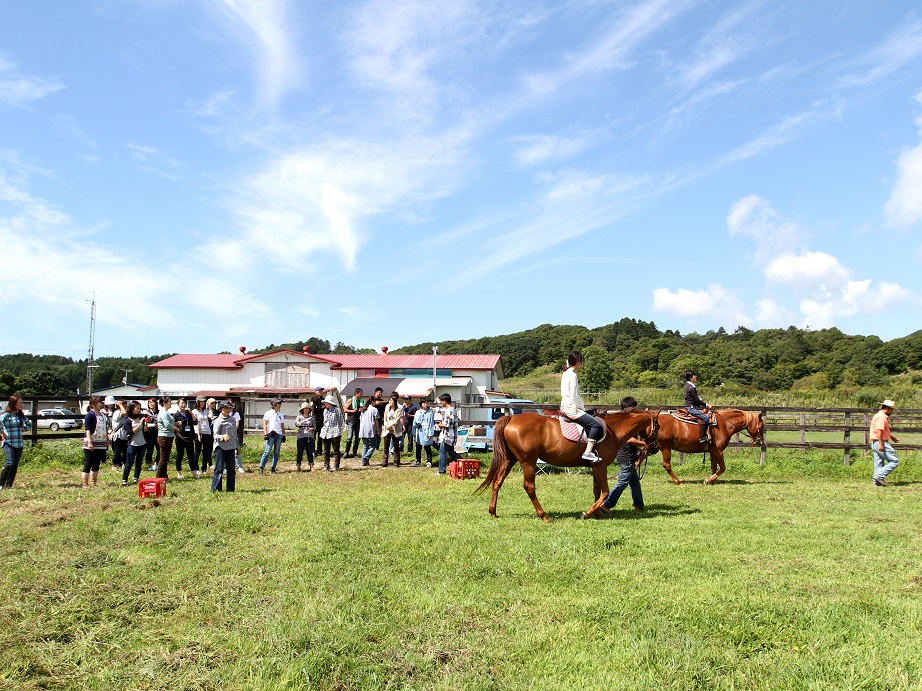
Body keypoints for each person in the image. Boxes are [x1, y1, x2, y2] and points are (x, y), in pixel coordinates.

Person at [599, 397, 646, 514]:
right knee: (623, 482)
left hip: (630, 455)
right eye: (634, 407)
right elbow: (629, 439)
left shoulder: (627, 421)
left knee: (634, 482)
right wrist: (644, 444)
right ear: (630, 408)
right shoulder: (625, 423)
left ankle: (639, 505)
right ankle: (606, 505)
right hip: (626, 456)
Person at [560, 350, 603, 462]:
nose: (582, 363)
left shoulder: (565, 374)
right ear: (578, 361)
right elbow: (574, 395)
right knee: (596, 425)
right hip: (573, 408)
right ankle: (587, 452)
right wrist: (582, 407)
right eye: (581, 360)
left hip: (565, 406)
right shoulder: (573, 375)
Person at [0, 395, 32, 490]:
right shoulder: (7, 415)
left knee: (15, 465)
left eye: (22, 403)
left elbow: (29, 424)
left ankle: (9, 485)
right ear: (13, 404)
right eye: (19, 403)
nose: (21, 405)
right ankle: (1, 484)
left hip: (19, 443)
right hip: (9, 443)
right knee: (9, 463)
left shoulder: (21, 416)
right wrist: (2, 432)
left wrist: (23, 429)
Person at [211, 400, 240, 493]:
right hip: (220, 448)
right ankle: (216, 490)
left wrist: (237, 447)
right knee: (219, 470)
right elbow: (215, 435)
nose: (228, 410)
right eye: (225, 408)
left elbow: (235, 435)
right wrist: (222, 437)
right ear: (221, 409)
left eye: (229, 408)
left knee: (231, 470)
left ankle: (230, 489)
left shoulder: (232, 419)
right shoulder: (218, 421)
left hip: (231, 448)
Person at [871, 399, 900, 487]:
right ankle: (879, 477)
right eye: (891, 410)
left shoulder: (878, 415)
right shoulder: (882, 417)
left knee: (879, 462)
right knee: (894, 461)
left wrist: (892, 437)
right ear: (887, 408)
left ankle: (876, 483)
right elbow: (879, 431)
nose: (892, 412)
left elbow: (882, 431)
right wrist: (881, 444)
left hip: (874, 442)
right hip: (880, 441)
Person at [82, 395, 110, 488]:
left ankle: (93, 482)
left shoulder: (103, 415)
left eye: (100, 402)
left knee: (96, 463)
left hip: (101, 442)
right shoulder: (90, 414)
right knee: (88, 462)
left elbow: (106, 428)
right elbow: (88, 429)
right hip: (91, 441)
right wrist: (90, 442)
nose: (100, 404)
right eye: (98, 403)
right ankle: (85, 483)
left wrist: (107, 440)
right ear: (93, 404)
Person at [121, 401, 148, 486]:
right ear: (131, 408)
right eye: (136, 408)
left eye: (139, 408)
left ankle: (136, 478)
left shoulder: (141, 417)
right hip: (132, 444)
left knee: (139, 462)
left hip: (142, 443)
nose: (138, 410)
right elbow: (130, 432)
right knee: (129, 463)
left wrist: (145, 423)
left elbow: (145, 430)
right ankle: (124, 480)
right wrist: (139, 424)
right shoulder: (127, 420)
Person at [174, 398, 199, 479]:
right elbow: (175, 427)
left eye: (185, 403)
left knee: (191, 455)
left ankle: (194, 472)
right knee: (180, 455)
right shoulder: (176, 415)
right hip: (180, 438)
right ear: (178, 404)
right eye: (181, 403)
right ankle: (179, 473)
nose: (183, 405)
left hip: (189, 437)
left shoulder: (188, 413)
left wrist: (191, 413)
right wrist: (180, 436)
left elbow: (195, 421)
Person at [258, 398, 285, 474]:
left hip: (279, 434)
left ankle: (273, 467)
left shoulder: (280, 414)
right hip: (271, 434)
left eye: (280, 403)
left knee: (276, 452)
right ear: (274, 404)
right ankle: (261, 467)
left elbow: (282, 425)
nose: (280, 405)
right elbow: (265, 424)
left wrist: (283, 435)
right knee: (267, 451)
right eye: (278, 403)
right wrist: (265, 433)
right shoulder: (268, 413)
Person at [156, 395, 180, 479]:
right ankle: (159, 476)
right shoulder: (163, 412)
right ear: (164, 403)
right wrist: (175, 428)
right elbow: (167, 425)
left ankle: (164, 475)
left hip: (168, 436)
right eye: (169, 401)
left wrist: (175, 424)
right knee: (163, 458)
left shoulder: (166, 412)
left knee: (165, 457)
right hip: (164, 437)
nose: (171, 403)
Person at [683, 370, 710, 444]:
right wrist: (707, 405)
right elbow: (697, 400)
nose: (696, 376)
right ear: (690, 377)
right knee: (705, 418)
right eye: (694, 375)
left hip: (690, 406)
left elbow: (695, 400)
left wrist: (701, 406)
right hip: (690, 408)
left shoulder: (688, 386)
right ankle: (702, 437)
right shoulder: (691, 387)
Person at [319, 394, 344, 471]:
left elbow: (340, 421)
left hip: (335, 432)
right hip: (325, 432)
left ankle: (336, 465)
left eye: (326, 402)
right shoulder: (325, 411)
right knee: (326, 450)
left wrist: (338, 429)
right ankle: (326, 464)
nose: (325, 404)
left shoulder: (337, 410)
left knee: (336, 450)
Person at [437, 393, 459, 475]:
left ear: (445, 401)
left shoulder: (449, 411)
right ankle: (463, 463)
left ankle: (441, 471)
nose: (441, 403)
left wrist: (439, 425)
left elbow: (447, 424)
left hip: (447, 436)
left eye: (442, 401)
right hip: (453, 436)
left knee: (442, 453)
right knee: (452, 453)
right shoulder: (454, 410)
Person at [381, 394, 405, 467]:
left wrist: (391, 426)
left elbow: (397, 420)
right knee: (386, 446)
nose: (390, 402)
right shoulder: (387, 407)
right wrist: (386, 425)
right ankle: (385, 461)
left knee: (396, 446)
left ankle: (396, 461)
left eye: (391, 400)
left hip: (395, 429)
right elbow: (385, 417)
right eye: (389, 400)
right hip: (387, 429)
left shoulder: (399, 409)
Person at [193, 397, 214, 475]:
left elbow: (211, 416)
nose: (202, 403)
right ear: (197, 402)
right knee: (197, 451)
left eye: (204, 402)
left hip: (207, 432)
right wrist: (198, 434)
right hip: (198, 432)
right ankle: (196, 467)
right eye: (201, 402)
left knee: (206, 451)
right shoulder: (194, 411)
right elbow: (196, 423)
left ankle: (204, 468)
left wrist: (209, 406)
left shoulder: (206, 411)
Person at [413, 398, 435, 467]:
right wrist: (414, 431)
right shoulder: (417, 412)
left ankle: (429, 461)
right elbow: (414, 422)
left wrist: (430, 433)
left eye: (426, 403)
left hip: (426, 430)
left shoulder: (430, 413)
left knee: (427, 446)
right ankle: (418, 461)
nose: (425, 404)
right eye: (424, 403)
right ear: (421, 404)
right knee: (418, 446)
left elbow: (431, 424)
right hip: (419, 431)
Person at [343, 387, 364, 458]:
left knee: (357, 438)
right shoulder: (351, 400)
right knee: (349, 437)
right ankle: (346, 452)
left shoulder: (361, 401)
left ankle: (354, 453)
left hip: (358, 421)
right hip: (351, 420)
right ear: (356, 393)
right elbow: (345, 410)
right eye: (360, 393)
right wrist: (352, 411)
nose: (362, 394)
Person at [295, 401, 316, 471]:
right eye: (305, 408)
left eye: (308, 408)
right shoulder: (299, 417)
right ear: (302, 410)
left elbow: (315, 426)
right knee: (300, 451)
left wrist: (312, 428)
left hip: (310, 436)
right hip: (301, 436)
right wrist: (303, 422)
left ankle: (311, 465)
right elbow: (296, 424)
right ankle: (298, 465)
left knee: (310, 451)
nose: (306, 410)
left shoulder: (311, 418)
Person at [358, 398, 379, 467]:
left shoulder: (363, 409)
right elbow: (376, 421)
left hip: (363, 429)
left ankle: (363, 462)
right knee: (373, 445)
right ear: (372, 402)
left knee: (365, 446)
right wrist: (378, 430)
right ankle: (367, 456)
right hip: (370, 429)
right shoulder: (374, 409)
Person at [109, 399, 128, 472]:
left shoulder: (127, 412)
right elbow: (123, 413)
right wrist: (120, 405)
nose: (125, 405)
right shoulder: (117, 413)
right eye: (123, 403)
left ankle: (124, 465)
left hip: (125, 435)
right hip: (117, 435)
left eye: (126, 403)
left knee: (125, 451)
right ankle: (114, 465)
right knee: (117, 451)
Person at [143, 397, 160, 471]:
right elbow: (144, 424)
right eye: (150, 402)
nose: (151, 404)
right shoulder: (146, 413)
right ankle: (149, 464)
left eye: (153, 402)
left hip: (158, 433)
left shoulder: (159, 412)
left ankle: (157, 463)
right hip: (149, 434)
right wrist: (153, 425)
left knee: (159, 449)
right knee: (150, 449)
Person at [310, 387, 325, 456]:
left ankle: (319, 450)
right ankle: (312, 450)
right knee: (313, 436)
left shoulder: (323, 399)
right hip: (315, 420)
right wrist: (320, 408)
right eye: (319, 390)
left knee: (320, 436)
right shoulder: (312, 399)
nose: (320, 392)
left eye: (321, 390)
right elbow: (313, 409)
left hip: (322, 420)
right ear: (315, 391)